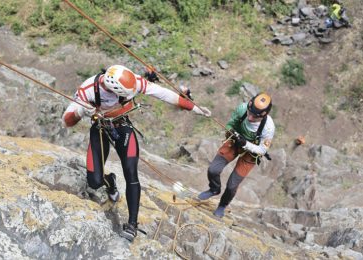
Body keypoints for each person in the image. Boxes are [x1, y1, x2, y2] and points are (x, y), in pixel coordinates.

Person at [62, 65, 211, 241]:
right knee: (94, 182)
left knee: (131, 172)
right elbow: (66, 121)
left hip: (122, 126)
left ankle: (132, 224)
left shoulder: (131, 80)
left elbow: (161, 93)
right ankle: (110, 181)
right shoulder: (87, 90)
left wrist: (194, 108)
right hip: (100, 129)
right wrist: (79, 111)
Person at [198, 93, 275, 218]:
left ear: (263, 115)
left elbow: (262, 150)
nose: (249, 118)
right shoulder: (242, 109)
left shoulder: (268, 128)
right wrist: (231, 132)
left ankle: (223, 205)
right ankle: (214, 189)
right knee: (213, 170)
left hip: (251, 153)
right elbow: (230, 124)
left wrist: (246, 144)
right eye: (249, 113)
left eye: (254, 117)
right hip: (235, 141)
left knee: (232, 185)